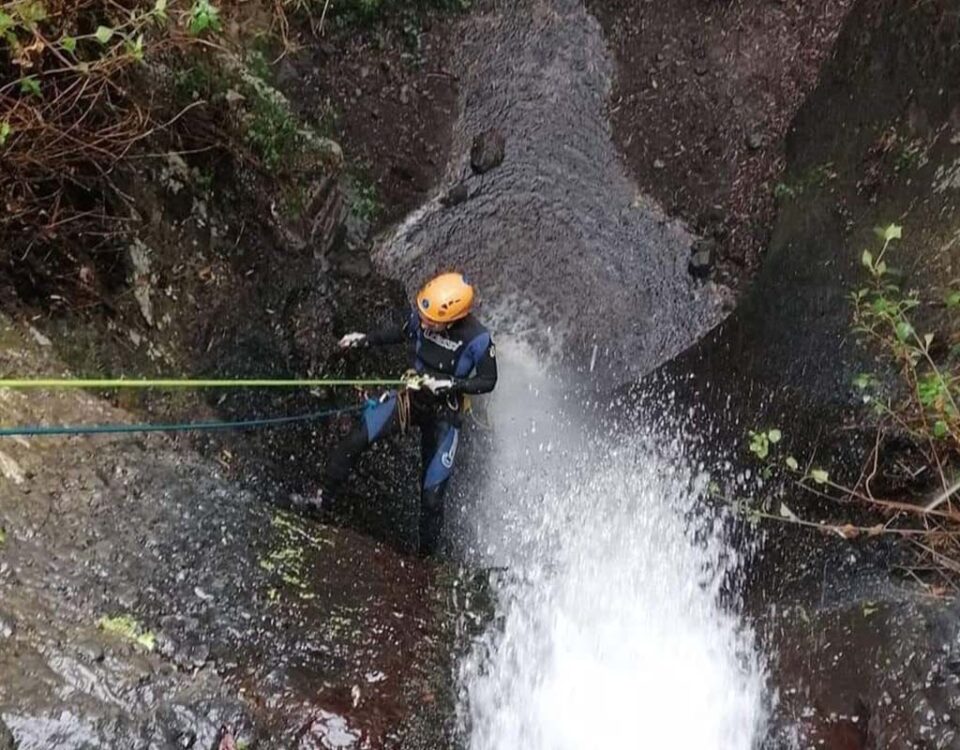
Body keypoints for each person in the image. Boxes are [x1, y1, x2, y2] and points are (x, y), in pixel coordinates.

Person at [318, 272, 497, 555]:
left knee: (432, 498)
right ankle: (321, 503)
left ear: (452, 319)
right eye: (423, 316)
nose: (423, 323)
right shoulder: (423, 318)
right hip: (411, 399)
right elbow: (400, 331)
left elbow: (488, 380)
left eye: (431, 322)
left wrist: (452, 384)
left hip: (444, 414)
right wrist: (364, 339)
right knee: (353, 441)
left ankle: (425, 560)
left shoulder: (478, 339)